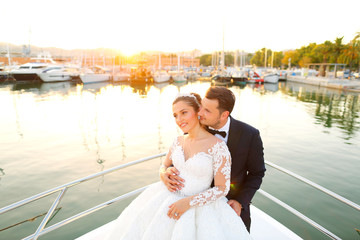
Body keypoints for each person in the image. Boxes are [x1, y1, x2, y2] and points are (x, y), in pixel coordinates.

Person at [105, 92, 251, 240]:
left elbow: (222, 188)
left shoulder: (218, 147)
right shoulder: (178, 141)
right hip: (165, 198)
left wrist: (188, 202)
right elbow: (164, 165)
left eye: (184, 113)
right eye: (175, 115)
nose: (179, 119)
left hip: (199, 206)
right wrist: (163, 173)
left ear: (197, 111)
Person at [161, 86, 265, 232]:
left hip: (229, 204)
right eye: (201, 107)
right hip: (183, 201)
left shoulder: (250, 135)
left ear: (224, 115)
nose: (200, 113)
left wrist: (240, 201)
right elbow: (174, 160)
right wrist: (164, 173)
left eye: (207, 111)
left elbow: (257, 173)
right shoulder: (194, 126)